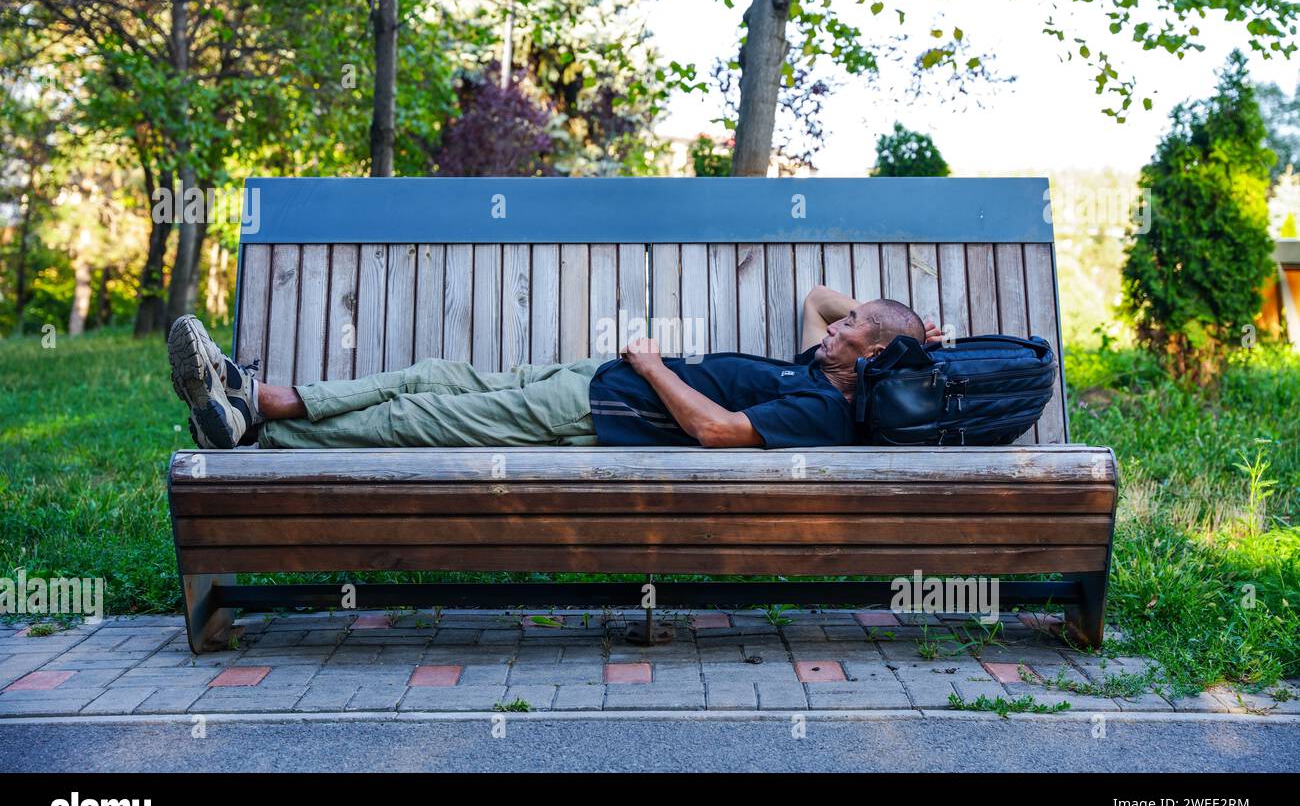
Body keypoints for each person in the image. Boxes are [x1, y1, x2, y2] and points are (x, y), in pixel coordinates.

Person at [167, 285, 936, 451]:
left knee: (415, 420)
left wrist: (652, 363)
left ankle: (256, 437)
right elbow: (816, 296)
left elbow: (714, 430)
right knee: (430, 374)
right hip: (587, 377)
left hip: (598, 412)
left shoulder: (826, 412)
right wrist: (913, 340)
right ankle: (257, 397)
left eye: (852, 329)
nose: (834, 326)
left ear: (866, 358)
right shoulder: (827, 367)